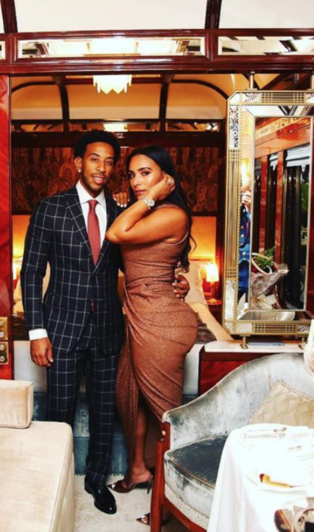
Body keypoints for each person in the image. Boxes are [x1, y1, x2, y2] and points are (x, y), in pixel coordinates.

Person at [21, 131, 189, 516]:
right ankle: (53, 483)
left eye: (111, 162)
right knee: (59, 413)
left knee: (103, 413)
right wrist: (37, 331)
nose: (103, 168)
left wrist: (175, 279)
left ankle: (97, 480)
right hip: (61, 330)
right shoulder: (51, 208)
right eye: (95, 159)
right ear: (78, 162)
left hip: (109, 329)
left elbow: (142, 262)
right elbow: (31, 272)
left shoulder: (122, 212)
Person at [105, 145, 198, 525]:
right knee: (131, 395)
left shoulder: (171, 213)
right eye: (131, 174)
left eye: (146, 173)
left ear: (165, 176)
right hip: (140, 318)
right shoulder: (147, 213)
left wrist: (153, 196)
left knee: (166, 416)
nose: (136, 181)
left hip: (162, 323)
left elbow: (116, 232)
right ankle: (138, 470)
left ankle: (172, 501)